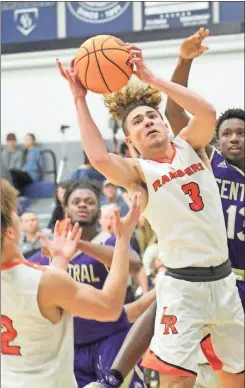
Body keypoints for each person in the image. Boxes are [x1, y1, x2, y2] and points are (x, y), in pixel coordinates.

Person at [57, 38, 244, 388]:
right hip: (182, 287)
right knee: (174, 381)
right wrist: (80, 98)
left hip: (224, 282)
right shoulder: (138, 173)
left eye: (153, 116)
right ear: (131, 142)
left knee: (235, 377)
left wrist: (151, 77)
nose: (149, 123)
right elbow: (98, 157)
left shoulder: (193, 146)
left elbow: (206, 112)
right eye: (138, 123)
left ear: (165, 123)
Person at [1, 178, 141, 388]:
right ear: (10, 231)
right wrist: (123, 240)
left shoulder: (44, 278)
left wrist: (60, 259)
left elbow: (44, 301)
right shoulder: (43, 279)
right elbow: (110, 307)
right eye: (14, 213)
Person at [163, 27, 245, 309]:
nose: (234, 138)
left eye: (241, 133)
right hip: (212, 280)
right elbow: (173, 113)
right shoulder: (207, 159)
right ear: (217, 140)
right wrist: (184, 61)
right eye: (227, 133)